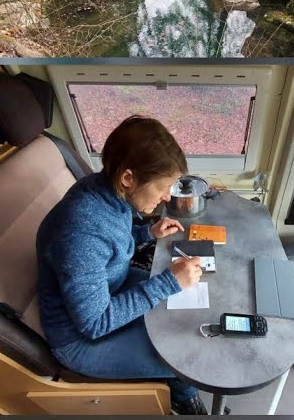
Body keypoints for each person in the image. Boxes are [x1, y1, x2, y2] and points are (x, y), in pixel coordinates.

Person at [36, 115, 207, 415]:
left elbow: (109, 241)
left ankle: (182, 391)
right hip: (79, 339)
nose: (168, 196)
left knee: (183, 312)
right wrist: (168, 282)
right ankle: (184, 396)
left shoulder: (104, 188)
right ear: (128, 178)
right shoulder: (81, 229)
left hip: (110, 287)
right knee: (183, 357)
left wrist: (147, 233)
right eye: (163, 187)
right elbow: (94, 323)